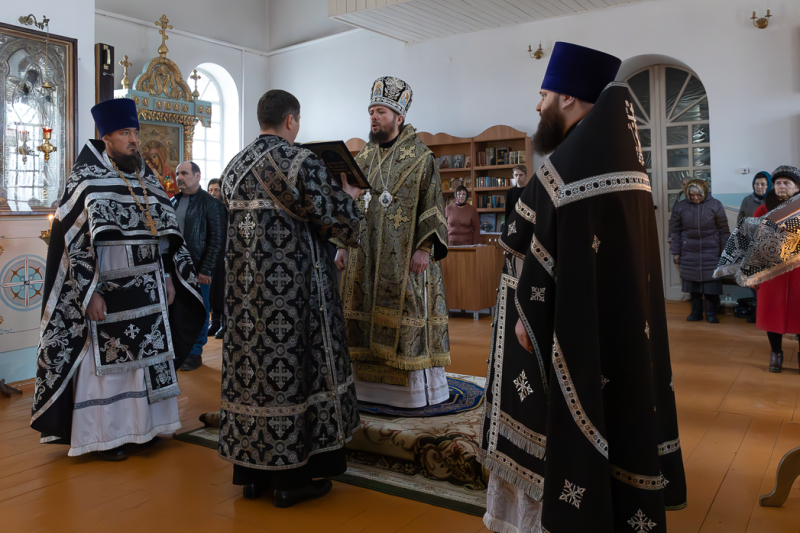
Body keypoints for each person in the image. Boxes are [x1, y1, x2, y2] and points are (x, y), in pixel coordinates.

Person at [480, 42, 686, 533]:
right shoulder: (618, 156)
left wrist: (529, 322)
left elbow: (536, 250)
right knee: (618, 404)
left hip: (563, 332)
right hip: (618, 322)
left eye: (544, 93)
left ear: (568, 98)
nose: (537, 105)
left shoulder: (569, 163)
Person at [30, 98, 205, 461]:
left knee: (146, 360)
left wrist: (170, 275)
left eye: (135, 133)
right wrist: (87, 293)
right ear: (106, 136)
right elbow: (73, 245)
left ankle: (147, 429)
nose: (133, 140)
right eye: (125, 133)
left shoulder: (147, 177)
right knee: (108, 367)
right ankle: (107, 437)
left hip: (151, 290)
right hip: (106, 289)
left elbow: (164, 234)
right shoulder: (85, 178)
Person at [218, 89, 364, 507]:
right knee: (296, 377)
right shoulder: (302, 162)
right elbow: (341, 223)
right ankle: (292, 480)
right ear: (292, 121)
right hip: (294, 298)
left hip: (246, 301)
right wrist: (350, 199)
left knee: (254, 381)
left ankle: (252, 477)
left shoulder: (233, 167)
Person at [334, 76, 450, 408]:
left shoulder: (420, 156)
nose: (373, 117)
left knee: (406, 313)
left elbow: (433, 205)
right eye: (371, 110)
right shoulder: (363, 158)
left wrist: (424, 248)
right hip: (365, 257)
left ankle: (410, 394)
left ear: (398, 117)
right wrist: (342, 244)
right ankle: (368, 389)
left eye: (381, 111)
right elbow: (352, 204)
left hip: (406, 259)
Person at [717, 167, 800, 373]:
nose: (782, 186)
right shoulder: (762, 211)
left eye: (787, 183)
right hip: (771, 275)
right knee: (773, 314)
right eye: (778, 183)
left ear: (797, 187)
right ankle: (776, 354)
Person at [171, 162, 226, 371]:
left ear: (197, 175)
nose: (179, 178)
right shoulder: (173, 202)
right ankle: (180, 350)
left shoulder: (211, 204)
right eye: (177, 174)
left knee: (199, 311)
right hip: (174, 268)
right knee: (177, 311)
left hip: (198, 268)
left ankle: (194, 353)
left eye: (184, 173)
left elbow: (217, 239)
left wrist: (206, 269)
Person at [669, 179, 730, 323]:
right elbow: (675, 231)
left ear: (705, 192)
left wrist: (725, 253)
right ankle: (695, 313)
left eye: (698, 194)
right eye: (692, 195)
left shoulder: (715, 205)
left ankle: (711, 314)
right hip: (689, 250)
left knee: (711, 285)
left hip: (712, 250)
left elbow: (724, 231)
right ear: (687, 194)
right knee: (693, 285)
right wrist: (676, 252)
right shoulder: (681, 206)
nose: (695, 197)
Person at [206, 177, 227, 338]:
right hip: (211, 253)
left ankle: (225, 324)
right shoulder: (207, 207)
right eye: (210, 190)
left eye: (216, 190)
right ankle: (214, 322)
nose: (213, 193)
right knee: (212, 289)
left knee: (222, 288)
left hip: (225, 253)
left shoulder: (227, 208)